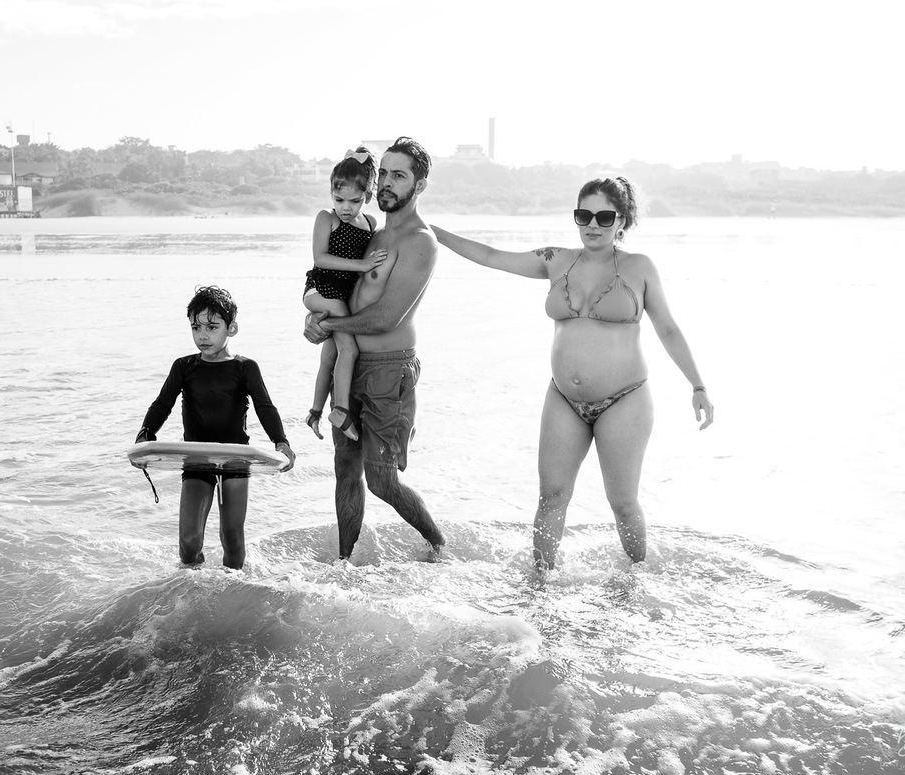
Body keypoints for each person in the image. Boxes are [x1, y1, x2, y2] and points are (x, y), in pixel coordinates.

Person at [432, 177, 713, 569]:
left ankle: (635, 581)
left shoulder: (639, 267)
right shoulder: (555, 260)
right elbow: (491, 255)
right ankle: (539, 587)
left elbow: (667, 328)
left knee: (623, 503)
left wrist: (697, 385)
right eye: (584, 215)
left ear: (622, 221)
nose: (592, 225)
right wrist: (430, 230)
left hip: (625, 400)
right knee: (552, 495)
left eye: (603, 216)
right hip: (563, 399)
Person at [304, 137, 444, 560]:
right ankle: (343, 565)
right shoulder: (372, 233)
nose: (386, 182)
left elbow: (386, 317)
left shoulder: (420, 241)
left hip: (388, 371)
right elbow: (338, 285)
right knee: (344, 471)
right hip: (353, 365)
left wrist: (329, 325)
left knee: (381, 479)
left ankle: (438, 545)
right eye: (383, 173)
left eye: (398, 175)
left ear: (419, 185)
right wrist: (315, 318)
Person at [135, 285, 296, 570]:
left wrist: (281, 443)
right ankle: (193, 588)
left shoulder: (245, 368)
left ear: (231, 328)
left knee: (232, 537)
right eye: (196, 327)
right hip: (197, 459)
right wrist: (145, 435)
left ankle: (232, 590)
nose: (202, 335)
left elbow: (265, 407)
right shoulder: (183, 367)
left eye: (212, 326)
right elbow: (162, 404)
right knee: (188, 540)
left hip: (235, 459)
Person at [302, 147, 389, 442]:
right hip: (321, 290)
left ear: (367, 196)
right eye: (339, 200)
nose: (346, 208)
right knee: (349, 350)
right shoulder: (327, 219)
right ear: (330, 193)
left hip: (342, 296)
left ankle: (314, 411)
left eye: (354, 201)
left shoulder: (371, 225)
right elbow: (320, 258)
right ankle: (339, 410)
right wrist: (363, 265)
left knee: (331, 353)